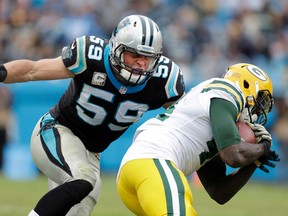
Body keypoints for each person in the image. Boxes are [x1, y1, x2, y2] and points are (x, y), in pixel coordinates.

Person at [0, 14, 185, 216]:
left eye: (147, 58)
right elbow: (32, 71)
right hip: (56, 131)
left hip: (90, 154)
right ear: (116, 48)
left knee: (79, 206)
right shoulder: (91, 56)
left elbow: (188, 118)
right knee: (83, 180)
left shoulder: (165, 81)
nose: (141, 64)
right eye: (134, 55)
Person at [117, 63, 280, 216]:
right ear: (247, 87)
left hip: (141, 173)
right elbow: (233, 156)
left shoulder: (206, 121)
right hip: (153, 161)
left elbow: (219, 191)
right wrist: (263, 148)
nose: (258, 111)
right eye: (260, 102)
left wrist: (255, 161)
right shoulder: (228, 91)